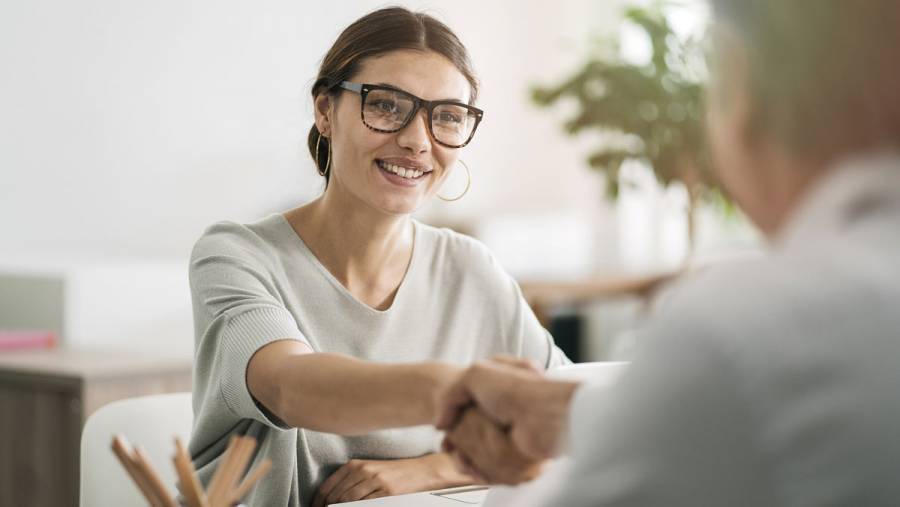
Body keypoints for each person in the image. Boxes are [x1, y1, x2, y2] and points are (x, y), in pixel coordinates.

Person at [436, 1, 900, 505]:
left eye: (447, 116)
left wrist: (502, 475)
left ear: (736, 83)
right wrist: (579, 413)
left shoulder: (741, 327)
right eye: (388, 106)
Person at [186, 7, 569, 507]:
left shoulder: (471, 269)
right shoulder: (238, 255)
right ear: (325, 111)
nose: (416, 141)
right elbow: (290, 388)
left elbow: (558, 426)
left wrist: (431, 470)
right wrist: (456, 390)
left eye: (448, 117)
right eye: (387, 106)